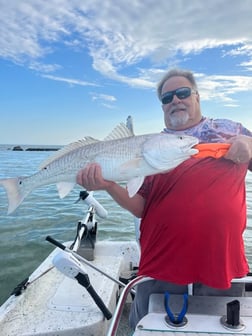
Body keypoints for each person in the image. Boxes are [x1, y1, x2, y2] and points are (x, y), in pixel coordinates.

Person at [76, 68, 252, 328]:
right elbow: (141, 208)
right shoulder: (150, 147)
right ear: (162, 107)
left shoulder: (228, 130)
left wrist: (250, 145)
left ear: (197, 96)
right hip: (162, 262)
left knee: (220, 328)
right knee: (154, 326)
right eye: (167, 98)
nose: (175, 100)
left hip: (220, 260)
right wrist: (109, 185)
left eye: (182, 93)